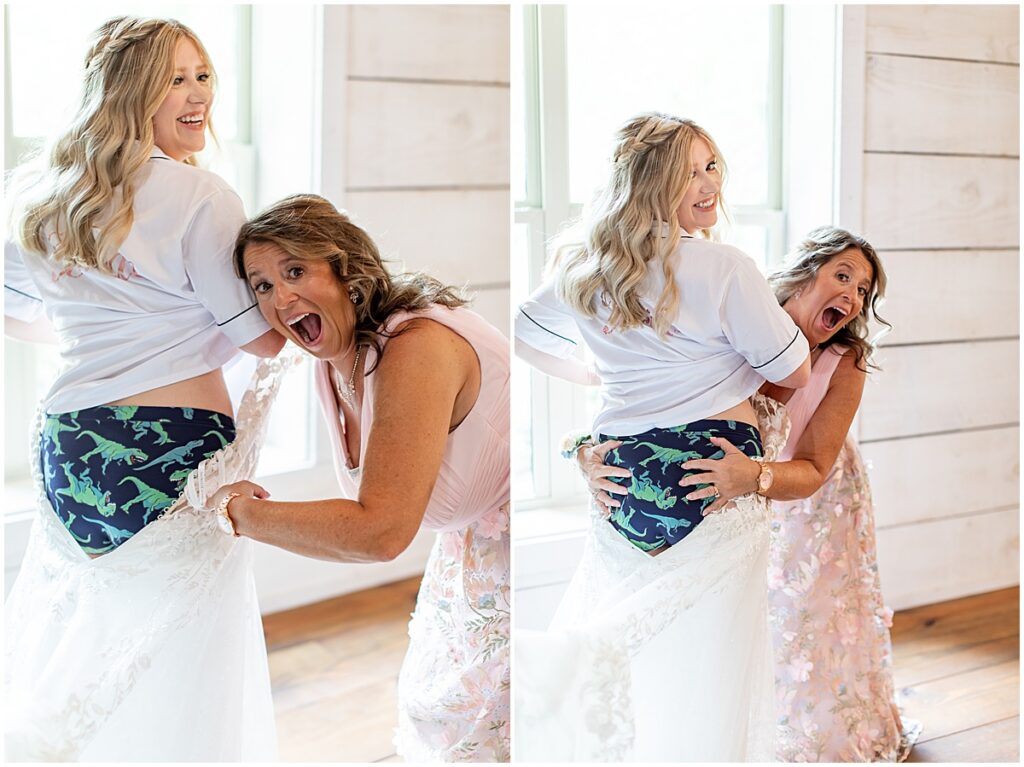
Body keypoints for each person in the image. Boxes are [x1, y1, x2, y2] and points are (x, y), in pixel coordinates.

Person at [4, 17, 285, 761]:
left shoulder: (41, 194)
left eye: (203, 75)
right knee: (186, 650)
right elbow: (259, 336)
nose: (199, 96)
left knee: (100, 634)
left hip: (68, 447)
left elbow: (17, 313)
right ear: (132, 91)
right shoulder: (199, 194)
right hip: (167, 448)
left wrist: (105, 325)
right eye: (176, 78)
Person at [512, 112, 810, 761]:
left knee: (638, 653)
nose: (710, 184)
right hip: (715, 480)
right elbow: (793, 366)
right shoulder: (724, 266)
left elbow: (526, 332)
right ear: (650, 183)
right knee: (712, 657)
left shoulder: (584, 265)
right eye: (690, 172)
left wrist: (598, 373)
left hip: (622, 479)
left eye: (712, 166)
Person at [583, 227, 921, 761]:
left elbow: (811, 465)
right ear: (806, 271)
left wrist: (753, 478)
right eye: (843, 276)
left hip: (815, 495)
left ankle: (811, 737)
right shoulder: (737, 317)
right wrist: (582, 449)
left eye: (863, 291)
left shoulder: (845, 359)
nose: (853, 297)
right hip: (729, 500)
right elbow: (640, 389)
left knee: (804, 612)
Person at [209, 194, 511, 762]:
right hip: (469, 554)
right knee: (441, 719)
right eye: (262, 285)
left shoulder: (415, 347)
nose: (281, 297)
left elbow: (381, 532)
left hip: (511, 550)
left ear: (346, 269)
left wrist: (236, 513)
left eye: (295, 270)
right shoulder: (331, 362)